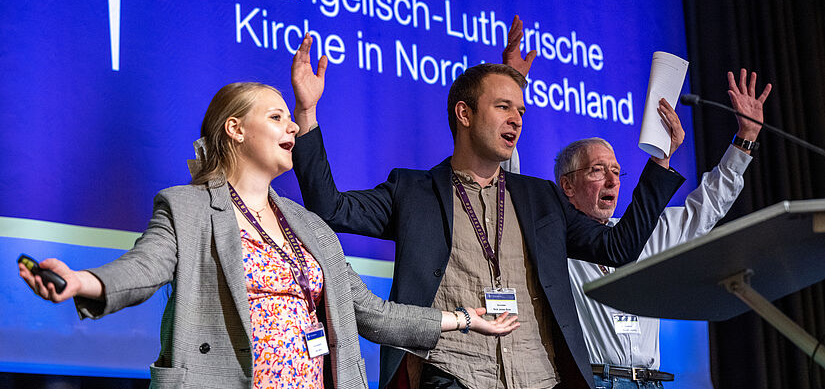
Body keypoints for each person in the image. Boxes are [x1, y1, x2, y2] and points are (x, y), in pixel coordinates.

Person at [18, 79, 519, 389]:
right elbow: (144, 267)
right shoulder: (187, 207)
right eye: (276, 117)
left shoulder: (309, 227)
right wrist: (85, 282)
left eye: (290, 118)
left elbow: (370, 312)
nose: (292, 128)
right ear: (235, 129)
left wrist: (464, 320)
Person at [290, 28, 686, 388]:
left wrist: (661, 163)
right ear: (464, 113)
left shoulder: (542, 198)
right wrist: (307, 114)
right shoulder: (413, 192)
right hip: (453, 372)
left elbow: (619, 248)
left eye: (521, 111)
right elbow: (330, 209)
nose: (516, 119)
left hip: (539, 377)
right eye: (503, 108)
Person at [555, 69, 771, 389]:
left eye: (617, 171)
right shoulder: (553, 240)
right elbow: (507, 190)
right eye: (598, 171)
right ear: (568, 185)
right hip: (592, 381)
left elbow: (707, 207)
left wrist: (746, 139)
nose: (613, 180)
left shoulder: (645, 233)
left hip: (651, 382)